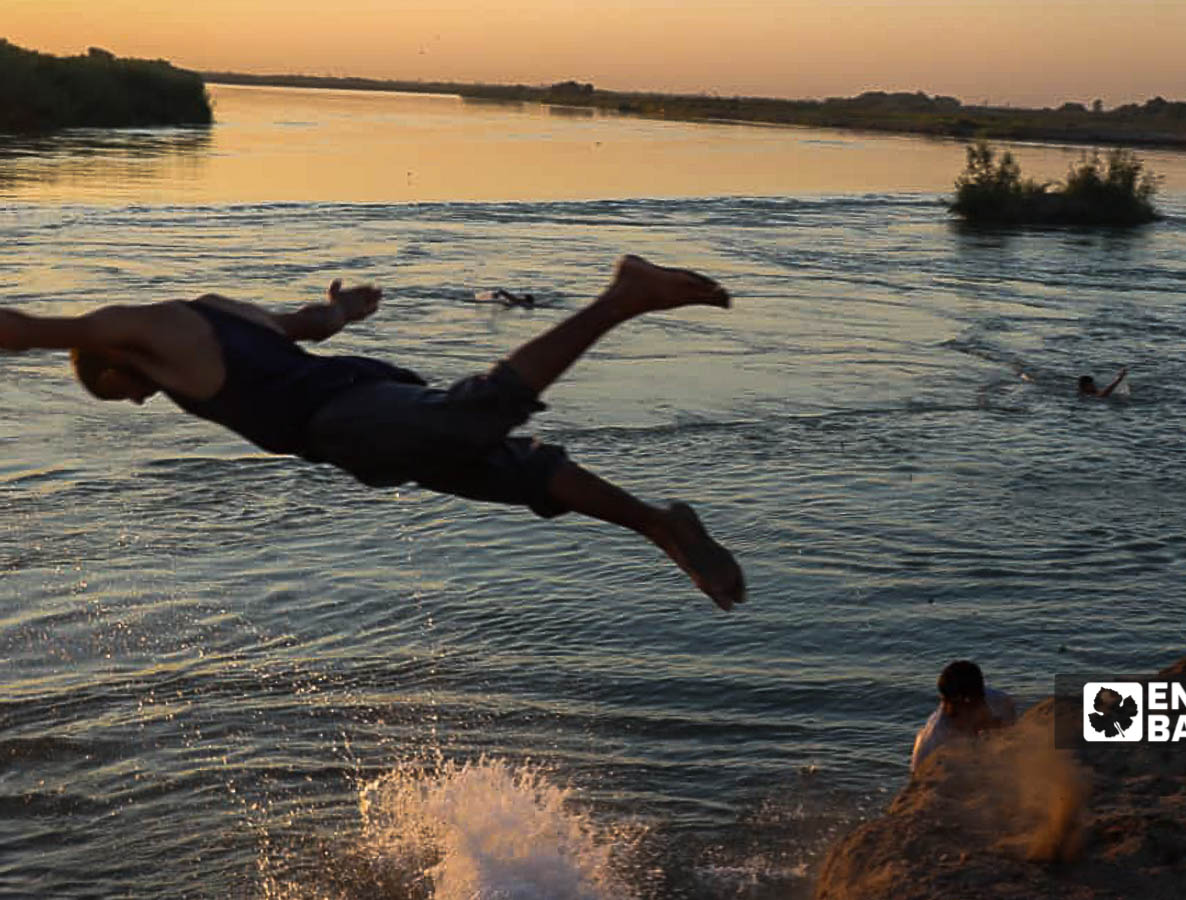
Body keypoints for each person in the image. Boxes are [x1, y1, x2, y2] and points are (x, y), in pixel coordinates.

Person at [0, 254, 746, 610]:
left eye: (120, 390)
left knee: (476, 416)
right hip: (358, 405)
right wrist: (347, 309)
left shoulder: (122, 331)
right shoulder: (214, 308)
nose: (133, 403)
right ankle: (660, 524)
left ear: (116, 358)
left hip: (344, 418)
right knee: (507, 467)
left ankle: (623, 297)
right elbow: (305, 326)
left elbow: (25, 328)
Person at [910, 659, 1017, 773]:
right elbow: (917, 779)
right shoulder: (934, 741)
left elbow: (1012, 734)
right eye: (946, 701)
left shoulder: (1000, 702)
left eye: (959, 705)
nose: (949, 709)